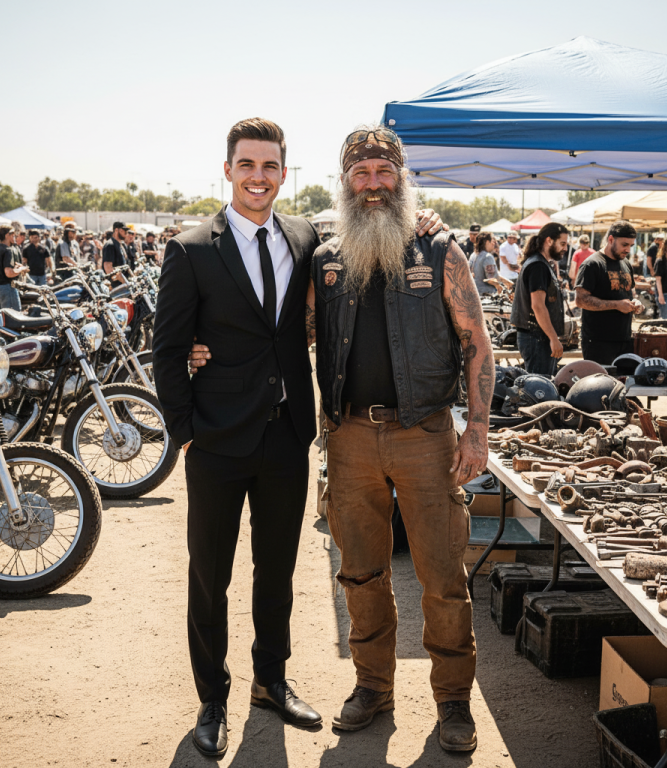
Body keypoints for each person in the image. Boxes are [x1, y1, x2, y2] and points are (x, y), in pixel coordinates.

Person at [155, 116, 445, 758]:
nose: (258, 177)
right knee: (210, 576)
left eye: (270, 166)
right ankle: (212, 698)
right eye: (247, 165)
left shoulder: (306, 238)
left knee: (277, 572)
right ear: (228, 170)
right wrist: (185, 434)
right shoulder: (191, 249)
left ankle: (270, 681)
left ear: (284, 173)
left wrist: (427, 220)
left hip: (287, 437)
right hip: (216, 442)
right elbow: (168, 350)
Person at [307, 125, 489, 752]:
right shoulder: (326, 260)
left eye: (384, 171)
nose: (373, 184)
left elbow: (476, 341)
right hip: (349, 437)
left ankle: (453, 701)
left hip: (425, 435)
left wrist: (476, 433)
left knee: (442, 576)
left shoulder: (440, 251)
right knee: (361, 573)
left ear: (402, 178)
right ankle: (372, 687)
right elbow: (289, 333)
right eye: (361, 173)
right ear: (345, 182)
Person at [574, 220, 644, 364]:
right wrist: (616, 305)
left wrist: (636, 303)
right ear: (611, 239)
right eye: (624, 245)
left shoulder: (626, 263)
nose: (627, 250)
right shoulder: (592, 264)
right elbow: (581, 300)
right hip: (598, 341)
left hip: (625, 339)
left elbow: (628, 294)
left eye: (631, 246)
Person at [510, 222, 568, 375]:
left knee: (542, 383)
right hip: (536, 338)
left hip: (537, 337)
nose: (565, 248)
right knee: (540, 386)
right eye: (562, 243)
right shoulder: (538, 266)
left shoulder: (541, 263)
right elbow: (538, 306)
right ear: (549, 241)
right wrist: (553, 338)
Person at [0, 225, 29, 310]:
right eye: (13, 235)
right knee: (13, 315)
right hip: (6, 287)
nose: (15, 238)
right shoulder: (8, 250)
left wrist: (15, 268)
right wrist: (21, 269)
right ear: (7, 235)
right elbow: (9, 273)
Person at [470, 232, 511, 296]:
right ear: (487, 242)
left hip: (473, 293)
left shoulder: (473, 255)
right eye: (492, 241)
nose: (494, 243)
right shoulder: (488, 256)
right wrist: (499, 285)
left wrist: (508, 282)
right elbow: (491, 278)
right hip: (487, 295)